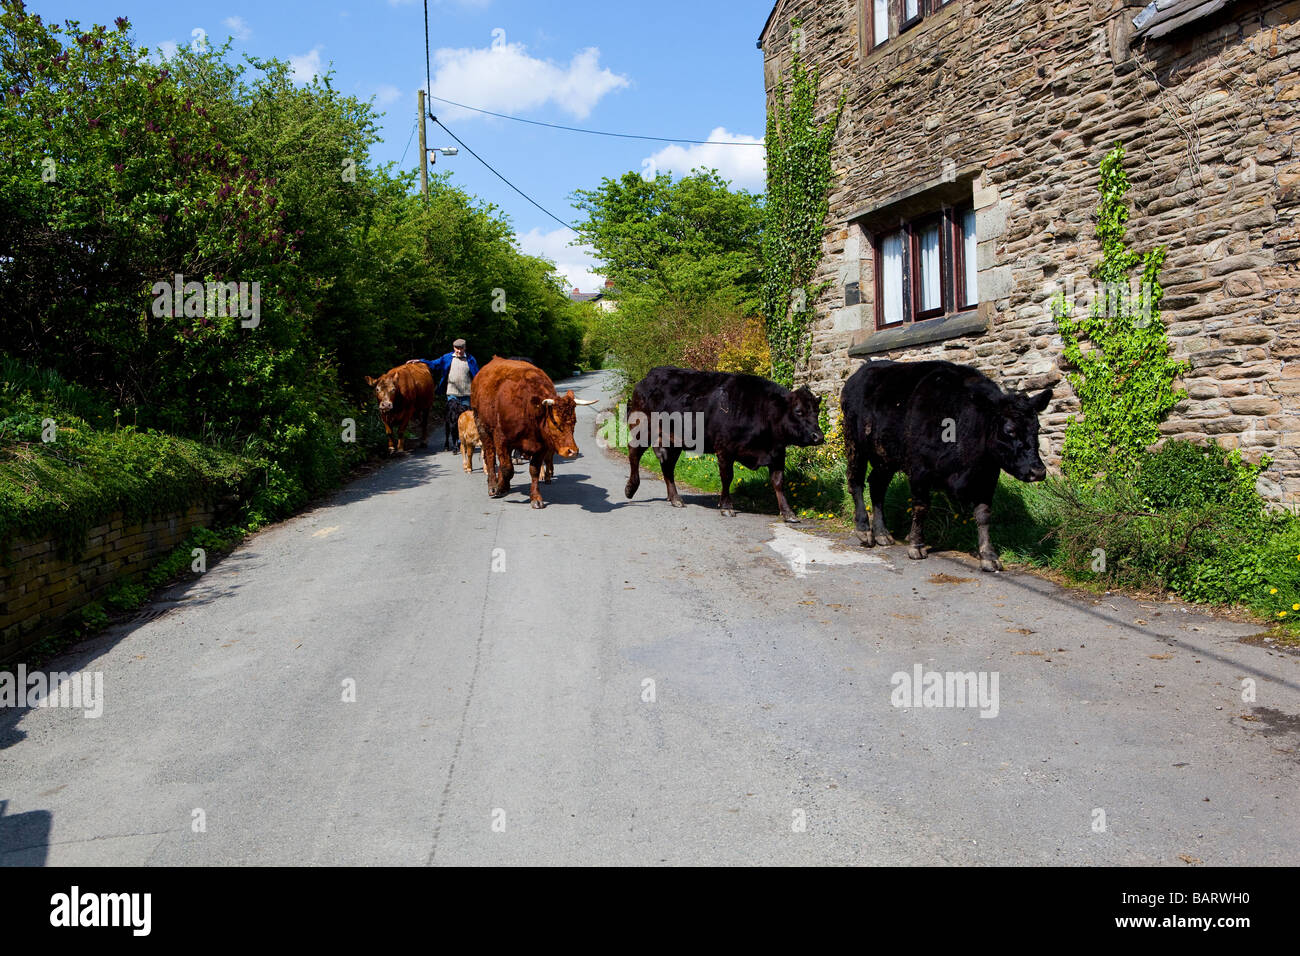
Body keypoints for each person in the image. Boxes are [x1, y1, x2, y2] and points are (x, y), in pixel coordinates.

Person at [407, 339, 479, 451]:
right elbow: (434, 364)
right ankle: (455, 441)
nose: (459, 351)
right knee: (453, 419)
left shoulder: (470, 359)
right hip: (452, 393)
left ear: (465, 348)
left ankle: (462, 440)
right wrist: (420, 361)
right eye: (457, 348)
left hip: (466, 393)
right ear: (454, 348)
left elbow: (477, 375)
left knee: (466, 419)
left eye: (461, 348)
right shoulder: (448, 358)